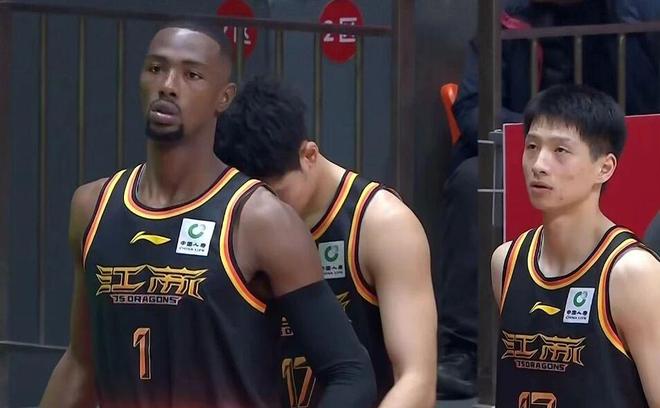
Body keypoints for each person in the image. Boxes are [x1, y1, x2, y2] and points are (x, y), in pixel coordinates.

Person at [40, 21, 376, 408]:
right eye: (156, 68)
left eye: (192, 75)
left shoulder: (259, 219)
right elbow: (80, 365)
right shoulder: (93, 207)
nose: (168, 85)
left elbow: (351, 374)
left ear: (224, 97)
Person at [215, 77, 437, 408]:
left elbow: (417, 382)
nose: (264, 210)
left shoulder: (383, 226)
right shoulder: (236, 218)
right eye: (251, 197)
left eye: (275, 194)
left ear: (309, 155)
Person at [491, 84, 660, 407]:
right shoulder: (506, 261)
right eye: (531, 146)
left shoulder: (632, 274)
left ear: (604, 167)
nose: (539, 164)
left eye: (560, 151)